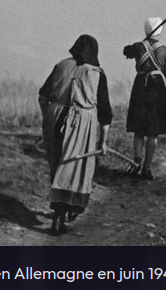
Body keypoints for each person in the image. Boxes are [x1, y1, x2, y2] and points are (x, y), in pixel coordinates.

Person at [38, 35, 113, 235]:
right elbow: (105, 113)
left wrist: (48, 117)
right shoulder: (97, 74)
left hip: (54, 118)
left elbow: (42, 96)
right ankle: (67, 212)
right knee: (75, 168)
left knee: (57, 165)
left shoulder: (61, 65)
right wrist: (103, 141)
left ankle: (60, 212)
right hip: (80, 122)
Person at [122, 17, 166, 180]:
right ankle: (147, 167)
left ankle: (136, 159)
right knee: (153, 132)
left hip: (140, 87)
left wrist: (142, 44)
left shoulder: (138, 47)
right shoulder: (164, 50)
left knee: (139, 129)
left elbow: (126, 51)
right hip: (158, 88)